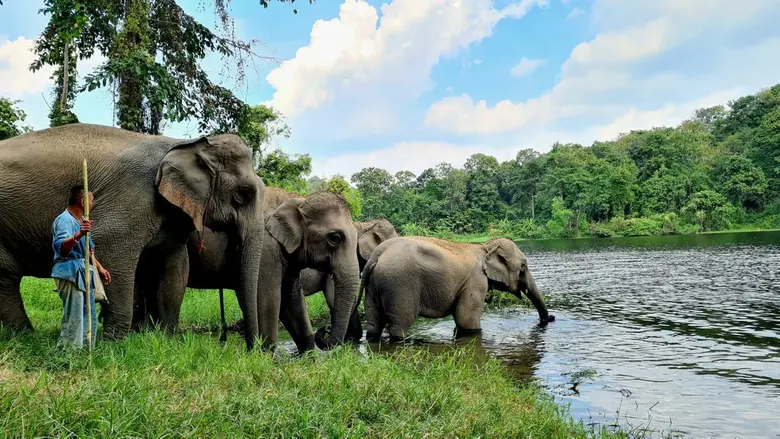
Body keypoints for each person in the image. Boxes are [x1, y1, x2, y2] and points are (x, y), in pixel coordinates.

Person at [51, 185, 112, 349]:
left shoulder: (82, 221)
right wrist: (79, 234)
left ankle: (84, 351)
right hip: (71, 273)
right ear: (83, 202)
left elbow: (87, 250)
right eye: (91, 201)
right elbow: (61, 248)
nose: (93, 204)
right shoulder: (64, 220)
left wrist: (99, 268)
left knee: (87, 314)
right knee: (75, 316)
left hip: (84, 272)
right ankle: (69, 353)